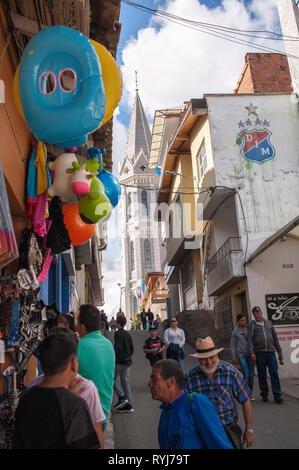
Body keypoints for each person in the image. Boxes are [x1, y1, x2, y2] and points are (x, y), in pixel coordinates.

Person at [13, 331, 100, 449]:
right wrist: (68, 399)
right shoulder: (75, 405)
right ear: (74, 364)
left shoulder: (25, 398)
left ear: (42, 366)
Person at [184, 336, 254, 448]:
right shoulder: (189, 378)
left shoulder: (230, 373)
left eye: (212, 357)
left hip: (229, 432)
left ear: (217, 355)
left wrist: (249, 429)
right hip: (202, 434)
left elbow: (245, 400)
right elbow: (184, 408)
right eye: (204, 359)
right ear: (198, 359)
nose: (209, 362)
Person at [148, 359, 233, 449]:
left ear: (171, 382)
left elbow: (220, 445)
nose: (149, 383)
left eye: (154, 379)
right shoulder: (166, 410)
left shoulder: (196, 403)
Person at [77, 304, 115, 431]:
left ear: (82, 326)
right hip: (103, 414)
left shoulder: (78, 346)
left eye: (77, 321)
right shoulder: (108, 344)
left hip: (84, 417)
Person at [248, 306, 284, 404]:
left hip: (271, 352)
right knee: (262, 374)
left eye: (257, 313)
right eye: (254, 314)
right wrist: (252, 353)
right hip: (259, 353)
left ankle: (277, 395)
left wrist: (280, 353)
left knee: (274, 373)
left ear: (261, 313)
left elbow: (275, 339)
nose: (256, 315)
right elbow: (250, 341)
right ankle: (264, 394)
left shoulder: (269, 323)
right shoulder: (252, 325)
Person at [113, 315, 134, 413]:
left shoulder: (117, 334)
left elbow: (118, 348)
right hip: (128, 361)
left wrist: (114, 358)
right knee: (125, 381)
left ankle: (121, 397)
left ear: (118, 323)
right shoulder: (127, 334)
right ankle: (129, 404)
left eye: (116, 322)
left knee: (111, 379)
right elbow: (132, 347)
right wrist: (128, 356)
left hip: (120, 361)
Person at [231, 313, 255, 400]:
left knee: (251, 374)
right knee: (246, 374)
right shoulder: (235, 331)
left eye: (244, 320)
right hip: (241, 355)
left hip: (251, 354)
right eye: (242, 321)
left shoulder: (250, 329)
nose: (244, 322)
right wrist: (234, 356)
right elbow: (233, 345)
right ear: (238, 322)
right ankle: (245, 393)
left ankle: (250, 392)